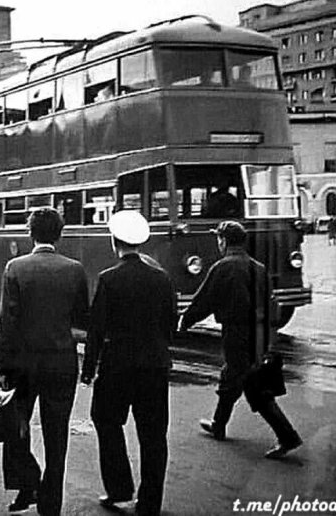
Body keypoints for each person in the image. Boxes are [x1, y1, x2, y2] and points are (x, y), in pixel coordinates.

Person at [0, 207, 89, 516]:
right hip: (61, 364)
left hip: (22, 366)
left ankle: (27, 483)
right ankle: (51, 504)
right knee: (57, 434)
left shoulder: (15, 268)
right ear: (59, 234)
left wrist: (1, 369)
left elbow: (7, 323)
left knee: (16, 427)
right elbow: (81, 321)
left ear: (30, 233)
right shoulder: (75, 269)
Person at [179, 221, 302, 459]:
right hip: (259, 334)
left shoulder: (223, 267)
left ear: (224, 241)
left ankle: (287, 436)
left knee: (248, 384)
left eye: (219, 239)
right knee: (239, 378)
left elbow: (204, 300)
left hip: (236, 332)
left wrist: (185, 322)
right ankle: (219, 424)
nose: (218, 243)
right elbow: (271, 306)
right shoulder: (259, 268)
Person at [80, 210, 176, 516]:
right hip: (155, 367)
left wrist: (88, 369)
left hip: (117, 368)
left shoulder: (109, 279)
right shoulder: (161, 278)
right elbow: (170, 325)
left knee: (106, 421)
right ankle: (150, 503)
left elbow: (96, 329)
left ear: (114, 242)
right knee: (153, 436)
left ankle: (119, 488)